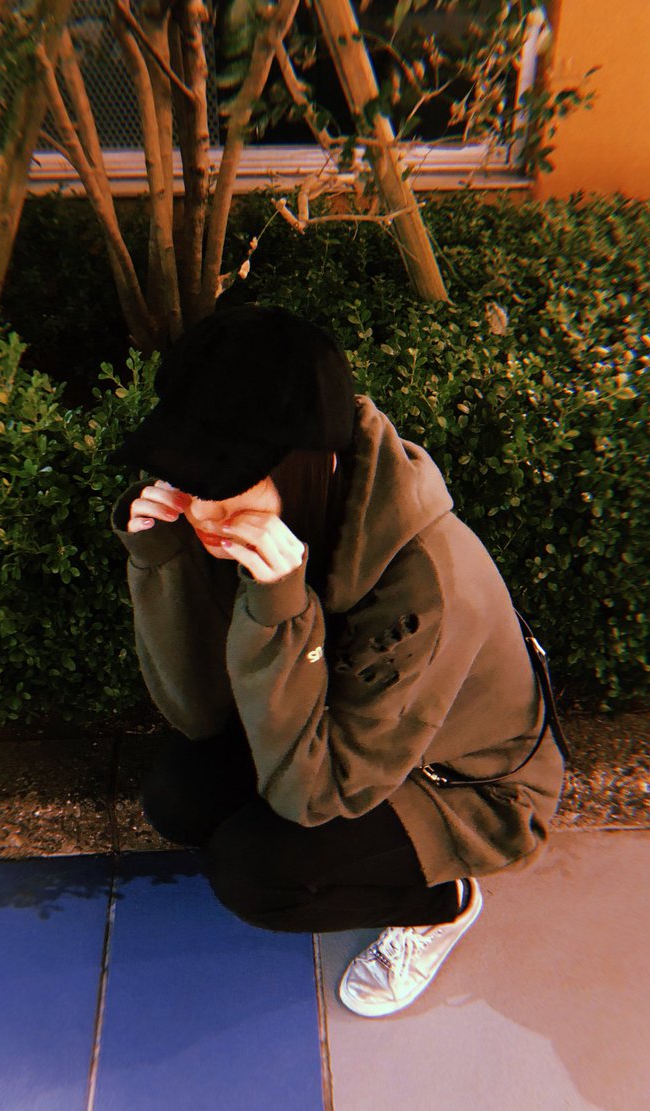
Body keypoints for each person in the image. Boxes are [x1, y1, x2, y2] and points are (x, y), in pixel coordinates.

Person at [109, 304, 565, 1018]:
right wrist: (161, 565)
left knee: (257, 875)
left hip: (463, 782)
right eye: (185, 475)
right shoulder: (277, 508)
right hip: (345, 727)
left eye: (219, 481)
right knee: (179, 795)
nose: (199, 511)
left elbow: (314, 795)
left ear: (305, 467)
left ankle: (441, 903)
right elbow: (202, 712)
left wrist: (277, 609)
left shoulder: (426, 586)